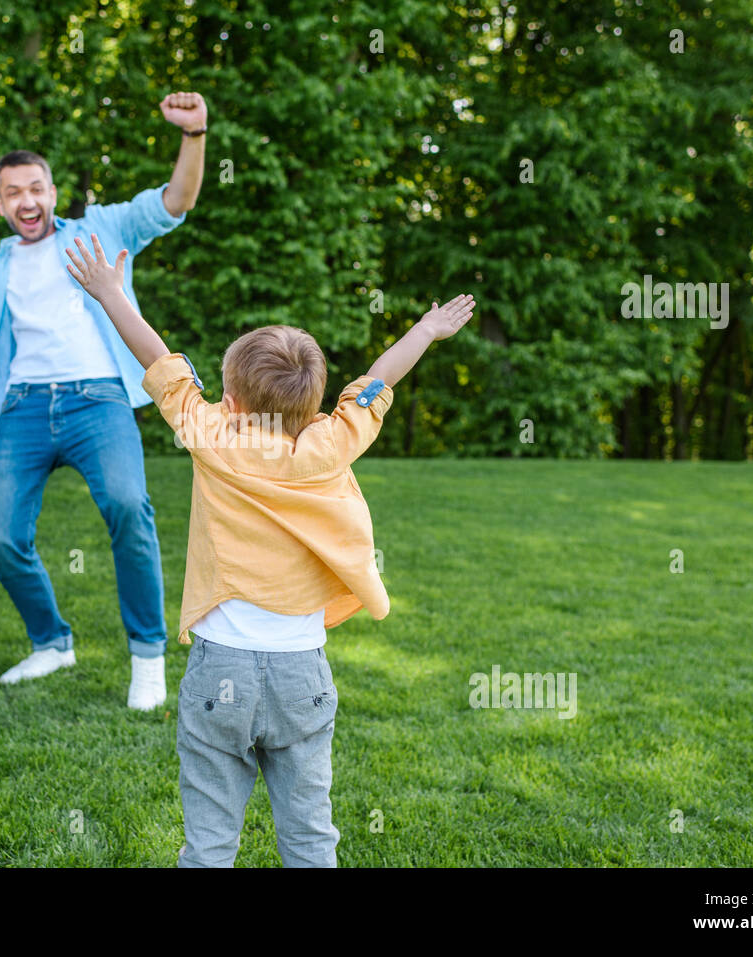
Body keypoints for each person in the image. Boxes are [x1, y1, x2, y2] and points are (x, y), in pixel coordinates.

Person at [64, 232, 476, 866]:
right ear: (314, 403)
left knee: (208, 842)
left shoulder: (209, 434)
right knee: (311, 836)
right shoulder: (332, 443)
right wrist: (424, 330)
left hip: (218, 671)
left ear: (231, 401)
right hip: (301, 678)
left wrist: (112, 295)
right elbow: (375, 382)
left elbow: (159, 360)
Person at [0, 92, 207, 709]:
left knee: (129, 508)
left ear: (53, 191)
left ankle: (148, 655)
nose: (26, 201)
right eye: (12, 193)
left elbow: (177, 201)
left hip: (98, 398)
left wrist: (194, 135)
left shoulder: (102, 228)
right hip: (22, 408)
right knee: (3, 538)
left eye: (36, 188)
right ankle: (51, 642)